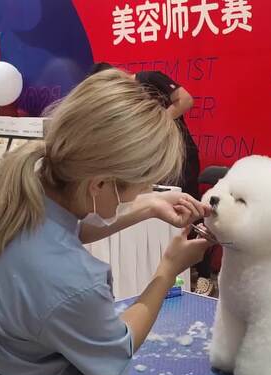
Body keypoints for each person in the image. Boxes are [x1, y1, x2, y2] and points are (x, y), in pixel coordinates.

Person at [0, 69, 211, 375]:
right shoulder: (71, 279)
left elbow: (63, 228)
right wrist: (167, 270)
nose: (139, 193)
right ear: (99, 183)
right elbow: (119, 347)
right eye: (139, 185)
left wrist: (148, 205)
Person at [89, 62, 215, 296]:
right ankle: (176, 272)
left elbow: (186, 100)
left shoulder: (149, 78)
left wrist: (153, 125)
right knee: (172, 214)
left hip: (181, 156)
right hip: (156, 158)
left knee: (193, 211)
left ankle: (204, 275)